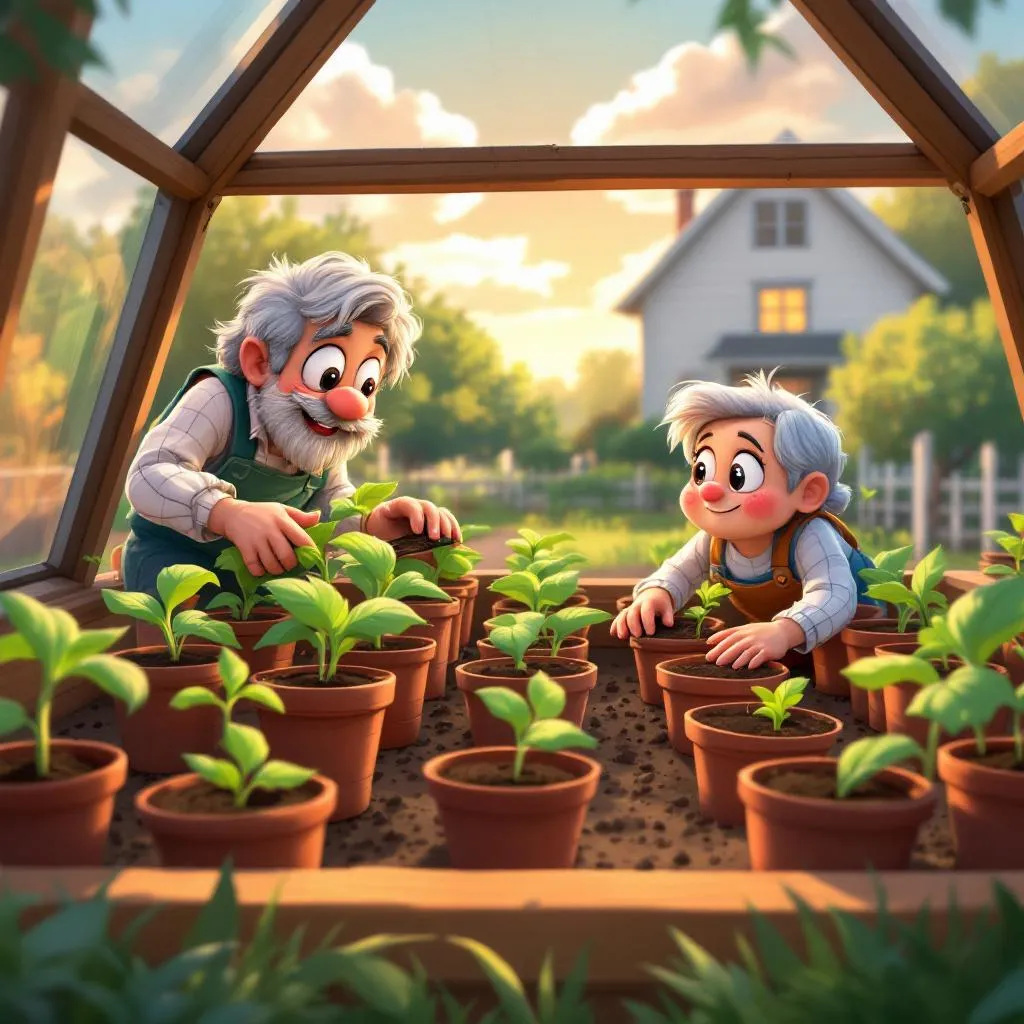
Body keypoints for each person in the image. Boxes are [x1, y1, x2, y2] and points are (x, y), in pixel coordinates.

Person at [121, 251, 460, 598]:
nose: (352, 403)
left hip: (266, 574)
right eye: (327, 374)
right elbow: (150, 472)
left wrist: (371, 523)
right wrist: (227, 513)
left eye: (366, 383)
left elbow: (330, 499)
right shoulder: (217, 399)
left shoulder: (322, 433)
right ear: (259, 362)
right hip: (179, 565)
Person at [610, 370, 879, 669]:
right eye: (702, 470)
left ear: (808, 492)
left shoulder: (811, 534)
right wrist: (657, 593)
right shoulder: (716, 540)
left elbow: (835, 595)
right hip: (779, 642)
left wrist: (783, 631)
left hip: (849, 644)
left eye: (740, 476)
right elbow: (679, 571)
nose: (710, 490)